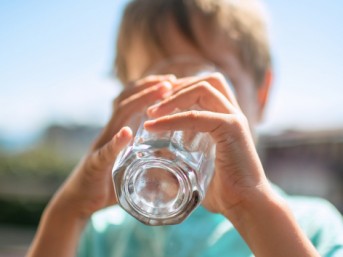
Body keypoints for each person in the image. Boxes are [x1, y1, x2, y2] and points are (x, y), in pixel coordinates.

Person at [27, 0, 343, 256]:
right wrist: (70, 210)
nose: (183, 106)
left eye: (213, 83)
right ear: (126, 96)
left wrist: (251, 209)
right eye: (160, 88)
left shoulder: (311, 226)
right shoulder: (98, 233)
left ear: (261, 95)